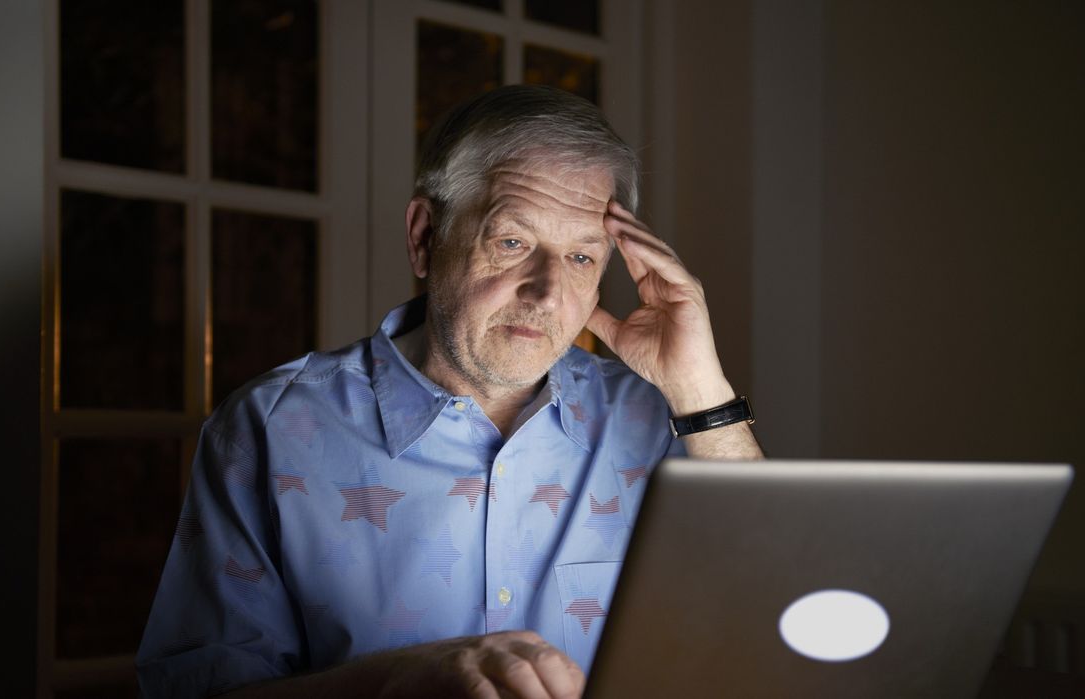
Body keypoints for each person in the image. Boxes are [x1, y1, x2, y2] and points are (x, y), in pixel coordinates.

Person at [136, 84, 763, 698]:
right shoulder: (267, 428)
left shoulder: (662, 420)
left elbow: (766, 617)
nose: (547, 292)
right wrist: (396, 681)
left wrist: (700, 387)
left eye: (580, 258)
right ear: (425, 237)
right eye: (512, 242)